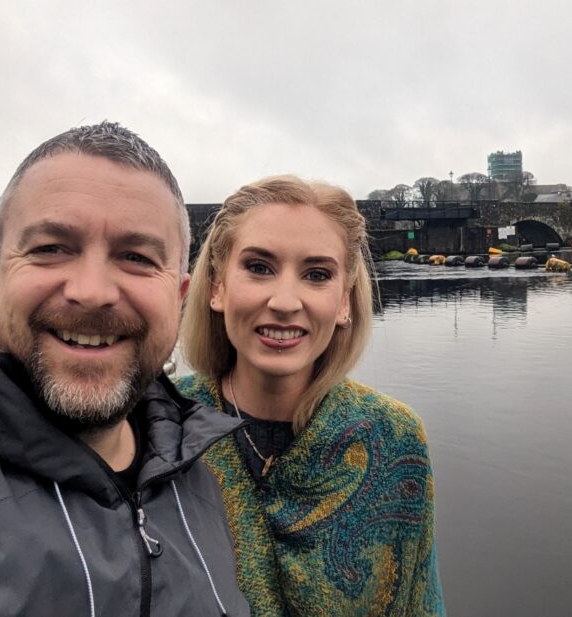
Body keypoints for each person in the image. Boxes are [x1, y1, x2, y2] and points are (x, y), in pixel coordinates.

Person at [0, 122, 249, 617]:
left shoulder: (198, 478)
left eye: (136, 257)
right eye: (50, 249)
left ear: (179, 296)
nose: (92, 290)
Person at [176, 176, 445, 617]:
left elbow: (419, 601)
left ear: (343, 301)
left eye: (317, 275)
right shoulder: (161, 424)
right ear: (217, 286)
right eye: (259, 267)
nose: (285, 301)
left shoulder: (393, 438)